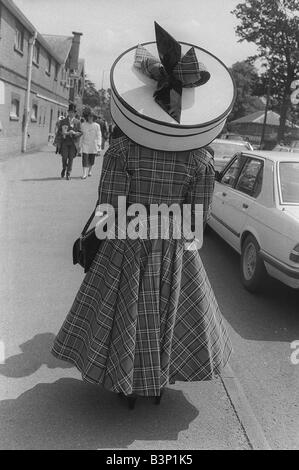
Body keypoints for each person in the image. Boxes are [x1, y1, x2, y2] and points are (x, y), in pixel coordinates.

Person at [52, 23, 234, 409]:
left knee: (123, 311)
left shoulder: (121, 151)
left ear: (145, 102)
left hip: (127, 241)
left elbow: (109, 206)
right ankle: (157, 382)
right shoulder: (201, 157)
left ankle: (124, 382)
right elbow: (199, 215)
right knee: (168, 311)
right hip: (173, 245)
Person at [58, 104, 82, 180]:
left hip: (73, 143)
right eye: (70, 112)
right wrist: (65, 133)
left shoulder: (77, 122)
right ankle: (64, 167)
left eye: (73, 112)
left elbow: (81, 132)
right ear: (68, 112)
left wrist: (75, 133)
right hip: (65, 141)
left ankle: (68, 173)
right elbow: (59, 131)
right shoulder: (63, 121)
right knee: (64, 157)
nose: (71, 114)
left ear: (75, 113)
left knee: (71, 158)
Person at [80, 109, 102, 179]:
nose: (90, 118)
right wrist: (79, 145)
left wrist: (99, 144)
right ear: (87, 117)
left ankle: (89, 171)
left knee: (91, 160)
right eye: (89, 116)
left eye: (91, 116)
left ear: (93, 117)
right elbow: (81, 135)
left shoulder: (97, 126)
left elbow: (99, 135)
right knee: (85, 159)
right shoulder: (83, 125)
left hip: (93, 145)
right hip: (85, 144)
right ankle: (84, 173)